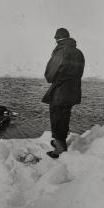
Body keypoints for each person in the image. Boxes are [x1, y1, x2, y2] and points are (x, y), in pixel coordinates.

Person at [42, 28, 85, 159]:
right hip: (73, 91)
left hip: (60, 91)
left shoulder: (60, 51)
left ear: (57, 39)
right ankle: (60, 141)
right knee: (65, 116)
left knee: (56, 117)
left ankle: (60, 148)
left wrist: (54, 78)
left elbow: (50, 75)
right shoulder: (79, 52)